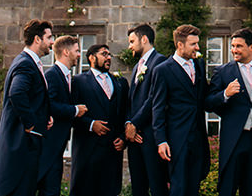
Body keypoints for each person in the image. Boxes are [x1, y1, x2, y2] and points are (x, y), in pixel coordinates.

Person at [0, 20, 54, 196]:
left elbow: (31, 96)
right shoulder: (25, 63)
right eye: (49, 37)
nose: (52, 42)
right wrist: (31, 123)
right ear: (37, 39)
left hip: (25, 141)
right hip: (21, 142)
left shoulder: (28, 62)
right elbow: (16, 93)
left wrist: (44, 116)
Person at [207, 29, 252, 196]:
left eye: (239, 46)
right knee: (227, 188)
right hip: (233, 139)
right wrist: (225, 94)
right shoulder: (222, 72)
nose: (234, 50)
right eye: (232, 46)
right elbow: (208, 103)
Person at [152, 24, 211, 196]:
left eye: (197, 43)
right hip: (176, 139)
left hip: (198, 137)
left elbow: (203, 98)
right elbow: (158, 108)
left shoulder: (199, 65)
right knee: (178, 188)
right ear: (180, 45)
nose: (197, 48)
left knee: (194, 186)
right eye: (193, 44)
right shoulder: (162, 70)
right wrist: (161, 140)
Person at [71, 43, 129, 196]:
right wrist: (91, 124)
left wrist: (124, 138)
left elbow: (125, 113)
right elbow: (71, 114)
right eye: (104, 54)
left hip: (112, 153)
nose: (108, 57)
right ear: (91, 57)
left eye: (109, 54)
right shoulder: (78, 81)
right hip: (87, 151)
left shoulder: (120, 83)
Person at [40, 36, 90, 196]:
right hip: (50, 145)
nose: (79, 55)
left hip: (58, 145)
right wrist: (75, 110)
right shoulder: (52, 75)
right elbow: (50, 105)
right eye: (77, 51)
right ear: (66, 52)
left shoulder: (68, 77)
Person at [127, 23, 170, 196]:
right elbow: (132, 100)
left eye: (132, 41)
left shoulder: (160, 62)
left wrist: (135, 123)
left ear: (144, 39)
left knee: (157, 185)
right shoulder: (138, 66)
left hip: (151, 136)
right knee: (138, 187)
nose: (129, 46)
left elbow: (154, 98)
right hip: (135, 137)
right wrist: (128, 123)